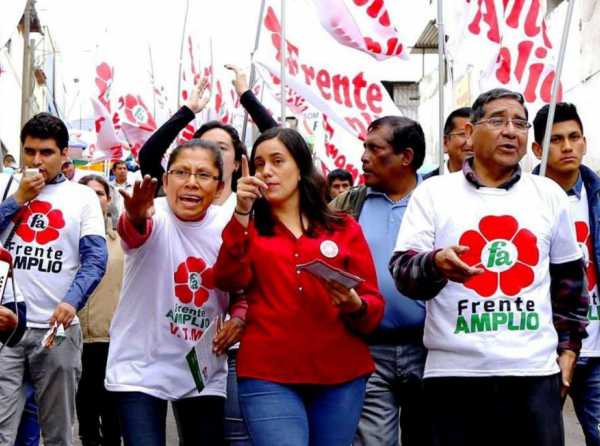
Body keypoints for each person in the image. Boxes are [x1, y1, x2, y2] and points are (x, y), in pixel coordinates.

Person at [389, 88, 588, 446]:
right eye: (497, 120)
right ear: (470, 132)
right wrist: (435, 264)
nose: (511, 130)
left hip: (533, 376)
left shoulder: (548, 195)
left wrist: (568, 356)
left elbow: (570, 286)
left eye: (520, 123)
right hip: (453, 378)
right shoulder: (434, 193)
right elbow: (404, 273)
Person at [213, 127, 384, 445]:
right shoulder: (247, 227)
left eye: (278, 161)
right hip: (268, 374)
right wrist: (240, 213)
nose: (267, 171)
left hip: (341, 373)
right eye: (260, 163)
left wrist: (354, 304)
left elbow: (373, 304)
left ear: (301, 167)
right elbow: (226, 279)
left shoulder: (342, 227)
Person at [138, 69, 275, 445]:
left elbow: (287, 146)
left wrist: (247, 97)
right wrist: (188, 110)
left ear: (235, 162)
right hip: (183, 341)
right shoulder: (169, 208)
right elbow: (148, 158)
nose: (209, 155)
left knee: (228, 438)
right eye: (201, 148)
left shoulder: (253, 204)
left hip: (236, 347)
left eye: (221, 149)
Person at [105, 139, 245, 446]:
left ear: (220, 186)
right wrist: (136, 217)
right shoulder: (152, 216)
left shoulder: (227, 228)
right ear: (166, 181)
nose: (191, 183)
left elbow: (242, 288)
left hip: (202, 370)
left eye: (203, 175)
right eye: (181, 172)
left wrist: (239, 318)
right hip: (139, 367)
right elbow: (134, 232)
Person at [0, 112, 108, 446]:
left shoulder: (83, 198)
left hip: (57, 330)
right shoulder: (7, 188)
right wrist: (17, 200)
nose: (36, 160)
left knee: (57, 430)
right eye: (30, 151)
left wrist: (71, 302)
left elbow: (95, 259)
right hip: (7, 327)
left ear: (64, 155)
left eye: (46, 152)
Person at [330, 116, 430, 446]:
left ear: (406, 156)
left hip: (430, 350)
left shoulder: (436, 202)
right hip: (367, 349)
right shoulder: (348, 206)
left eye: (375, 148)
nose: (364, 157)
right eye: (364, 148)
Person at [532, 102, 600, 445]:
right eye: (556, 140)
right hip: (541, 350)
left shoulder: (597, 196)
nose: (568, 146)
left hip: (597, 346)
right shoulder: (522, 203)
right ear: (537, 150)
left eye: (574, 137)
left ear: (585, 142)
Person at [76, 174, 123, 446]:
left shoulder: (124, 240)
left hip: (112, 340)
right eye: (87, 192)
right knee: (85, 413)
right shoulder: (64, 238)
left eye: (99, 193)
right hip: (75, 338)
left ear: (108, 199)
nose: (94, 199)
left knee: (113, 414)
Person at [424, 107, 472, 178]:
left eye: (476, 134)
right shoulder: (427, 184)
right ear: (445, 143)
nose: (471, 141)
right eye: (463, 134)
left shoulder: (491, 185)